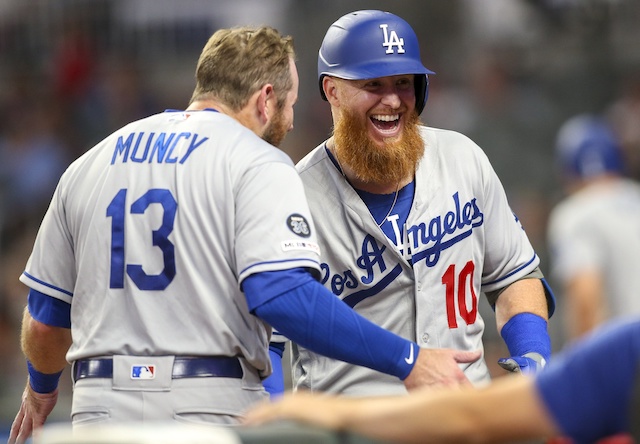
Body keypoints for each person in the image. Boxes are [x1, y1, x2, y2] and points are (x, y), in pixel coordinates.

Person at [7, 25, 443, 444]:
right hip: (205, 408)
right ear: (265, 99)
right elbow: (282, 295)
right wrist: (406, 359)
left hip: (98, 411)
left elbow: (45, 322)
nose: (291, 122)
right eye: (289, 104)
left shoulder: (88, 164)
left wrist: (41, 389)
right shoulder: (256, 161)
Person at [285, 9, 555, 396]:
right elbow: (271, 335)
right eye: (373, 84)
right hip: (350, 424)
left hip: (462, 413)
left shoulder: (463, 159)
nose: (393, 100)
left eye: (404, 82)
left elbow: (514, 274)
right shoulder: (295, 195)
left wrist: (533, 353)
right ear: (332, 91)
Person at [244, 316, 640, 444]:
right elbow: (473, 415)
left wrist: (340, 411)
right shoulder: (627, 351)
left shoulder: (629, 349)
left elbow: (473, 416)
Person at [547, 114, 640, 342]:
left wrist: (586, 369)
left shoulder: (574, 213)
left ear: (567, 171)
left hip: (630, 357)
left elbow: (585, 297)